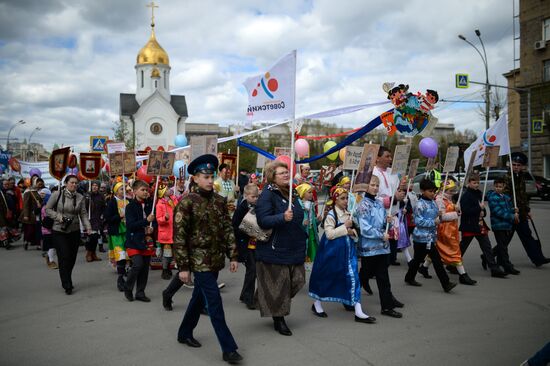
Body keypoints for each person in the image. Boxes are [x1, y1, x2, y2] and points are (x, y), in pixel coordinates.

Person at [173, 154, 242, 364]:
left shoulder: (219, 201)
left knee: (198, 299)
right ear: (195, 178)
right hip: (198, 260)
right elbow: (179, 237)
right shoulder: (186, 203)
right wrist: (183, 267)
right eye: (205, 176)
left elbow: (227, 229)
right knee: (214, 302)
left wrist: (233, 254)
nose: (210, 180)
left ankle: (184, 333)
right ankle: (228, 349)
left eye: (212, 176)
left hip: (215, 259)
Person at [255, 160, 307, 336]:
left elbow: (296, 215)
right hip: (275, 249)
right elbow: (262, 220)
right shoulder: (267, 194)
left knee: (299, 279)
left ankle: (270, 298)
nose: (286, 174)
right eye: (282, 173)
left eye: (287, 172)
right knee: (280, 285)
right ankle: (279, 319)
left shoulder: (292, 192)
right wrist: (281, 218)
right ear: (272, 177)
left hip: (294, 246)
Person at [309, 187, 377, 323]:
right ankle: (317, 303)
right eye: (342, 198)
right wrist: (345, 227)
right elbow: (329, 234)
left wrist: (353, 232)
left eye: (347, 198)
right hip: (332, 253)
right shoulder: (331, 215)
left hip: (348, 253)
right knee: (327, 277)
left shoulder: (349, 213)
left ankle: (358, 311)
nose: (346, 201)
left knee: (353, 278)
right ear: (335, 199)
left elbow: (356, 231)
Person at [355, 176, 404, 318]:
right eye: (372, 185)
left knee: (383, 277)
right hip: (369, 248)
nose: (375, 188)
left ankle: (387, 307)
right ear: (366, 186)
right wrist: (380, 234)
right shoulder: (362, 205)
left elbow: (381, 223)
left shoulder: (378, 203)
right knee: (364, 274)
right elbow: (365, 228)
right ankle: (350, 298)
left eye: (377, 185)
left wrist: (386, 221)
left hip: (382, 246)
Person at [404, 179, 457, 292]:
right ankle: (446, 283)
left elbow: (436, 216)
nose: (433, 193)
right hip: (421, 238)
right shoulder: (419, 205)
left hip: (431, 236)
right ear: (423, 191)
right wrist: (433, 222)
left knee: (417, 260)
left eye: (434, 191)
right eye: (430, 191)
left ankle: (409, 277)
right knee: (436, 260)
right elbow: (418, 222)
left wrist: (439, 214)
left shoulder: (433, 202)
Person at [45, 175, 92, 295]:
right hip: (59, 230)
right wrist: (60, 217)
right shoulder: (57, 194)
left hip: (74, 230)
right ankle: (67, 283)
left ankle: (67, 276)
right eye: (72, 182)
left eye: (76, 183)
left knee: (71, 258)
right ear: (66, 183)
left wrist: (88, 227)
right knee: (64, 256)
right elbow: (48, 209)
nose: (74, 185)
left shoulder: (80, 197)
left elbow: (83, 214)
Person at [505, 152, 549, 267]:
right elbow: (505, 197)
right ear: (510, 165)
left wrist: (527, 210)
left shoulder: (521, 177)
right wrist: (512, 211)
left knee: (527, 236)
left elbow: (523, 195)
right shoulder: (507, 177)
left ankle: (538, 258)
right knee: (505, 240)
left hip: (522, 213)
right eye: (514, 164)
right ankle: (488, 257)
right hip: (512, 214)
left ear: (522, 166)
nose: (516, 167)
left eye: (518, 165)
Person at [459, 173, 507, 278]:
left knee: (487, 246)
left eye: (478, 183)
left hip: (480, 224)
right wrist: (478, 209)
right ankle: (452, 264)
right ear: (469, 183)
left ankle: (494, 269)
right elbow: (466, 211)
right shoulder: (466, 196)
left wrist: (483, 212)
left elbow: (482, 209)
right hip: (469, 225)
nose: (476, 185)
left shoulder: (479, 193)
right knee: (462, 247)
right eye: (474, 182)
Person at [434, 179, 476, 285]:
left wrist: (457, 210)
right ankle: (463, 275)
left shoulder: (447, 199)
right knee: (455, 252)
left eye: (453, 190)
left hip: (451, 229)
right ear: (444, 190)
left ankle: (424, 267)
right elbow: (441, 217)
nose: (452, 193)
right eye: (450, 191)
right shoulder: (439, 200)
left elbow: (454, 212)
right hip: (445, 230)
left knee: (437, 251)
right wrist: (455, 214)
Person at [123, 180, 156, 302]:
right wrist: (146, 221)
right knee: (137, 264)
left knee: (145, 268)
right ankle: (128, 286)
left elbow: (154, 221)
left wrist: (152, 227)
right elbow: (131, 225)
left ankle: (140, 292)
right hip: (133, 241)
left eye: (146, 190)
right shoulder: (130, 207)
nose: (145, 192)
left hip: (146, 240)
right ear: (135, 191)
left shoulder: (150, 205)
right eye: (142, 190)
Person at [232, 183, 260, 310]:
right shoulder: (241, 208)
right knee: (252, 270)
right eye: (253, 197)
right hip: (244, 243)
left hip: (255, 242)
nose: (255, 199)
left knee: (252, 270)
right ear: (246, 195)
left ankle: (244, 295)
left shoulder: (257, 207)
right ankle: (248, 298)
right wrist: (247, 230)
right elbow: (234, 227)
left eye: (257, 196)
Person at [487, 176, 520, 275]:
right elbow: (498, 212)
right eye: (496, 186)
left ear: (504, 187)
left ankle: (487, 257)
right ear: (494, 186)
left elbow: (507, 210)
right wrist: (511, 216)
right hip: (498, 225)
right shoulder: (493, 197)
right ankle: (507, 265)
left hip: (506, 225)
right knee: (503, 247)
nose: (498, 188)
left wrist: (513, 211)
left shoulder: (506, 197)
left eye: (500, 187)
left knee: (503, 245)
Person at [104, 182, 129, 292]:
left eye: (124, 189)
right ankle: (120, 279)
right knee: (121, 255)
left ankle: (125, 273)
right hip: (117, 233)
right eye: (121, 189)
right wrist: (120, 216)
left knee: (127, 255)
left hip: (127, 232)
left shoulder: (128, 201)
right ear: (116, 191)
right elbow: (108, 218)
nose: (124, 191)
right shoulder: (111, 202)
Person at [296, 183, 320, 269]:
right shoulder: (298, 206)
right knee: (304, 248)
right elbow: (295, 222)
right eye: (309, 192)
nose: (311, 194)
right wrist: (302, 224)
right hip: (303, 233)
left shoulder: (311, 204)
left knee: (312, 248)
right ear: (303, 193)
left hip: (311, 231)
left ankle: (310, 264)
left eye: (312, 192)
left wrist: (318, 221)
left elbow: (312, 221)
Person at [20, 177, 44, 250]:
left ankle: (38, 244)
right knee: (30, 230)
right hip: (30, 215)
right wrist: (26, 215)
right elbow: (26, 204)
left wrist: (41, 203)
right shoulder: (28, 192)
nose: (40, 185)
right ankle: (26, 241)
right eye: (38, 183)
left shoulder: (40, 192)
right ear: (35, 183)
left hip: (38, 214)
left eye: (41, 184)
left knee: (38, 230)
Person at [85, 181, 106, 262]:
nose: (95, 187)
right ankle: (89, 253)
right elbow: (84, 207)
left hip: (98, 219)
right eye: (93, 185)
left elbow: (103, 206)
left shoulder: (101, 195)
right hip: (89, 219)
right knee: (92, 237)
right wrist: (87, 198)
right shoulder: (87, 195)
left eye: (96, 185)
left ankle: (93, 254)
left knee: (96, 237)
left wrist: (103, 216)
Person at [39, 188, 57, 269]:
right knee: (52, 246)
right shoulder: (46, 206)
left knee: (53, 246)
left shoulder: (50, 205)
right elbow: (48, 220)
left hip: (51, 229)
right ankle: (51, 261)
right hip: (48, 229)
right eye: (41, 194)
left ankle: (49, 258)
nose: (42, 196)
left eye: (44, 194)